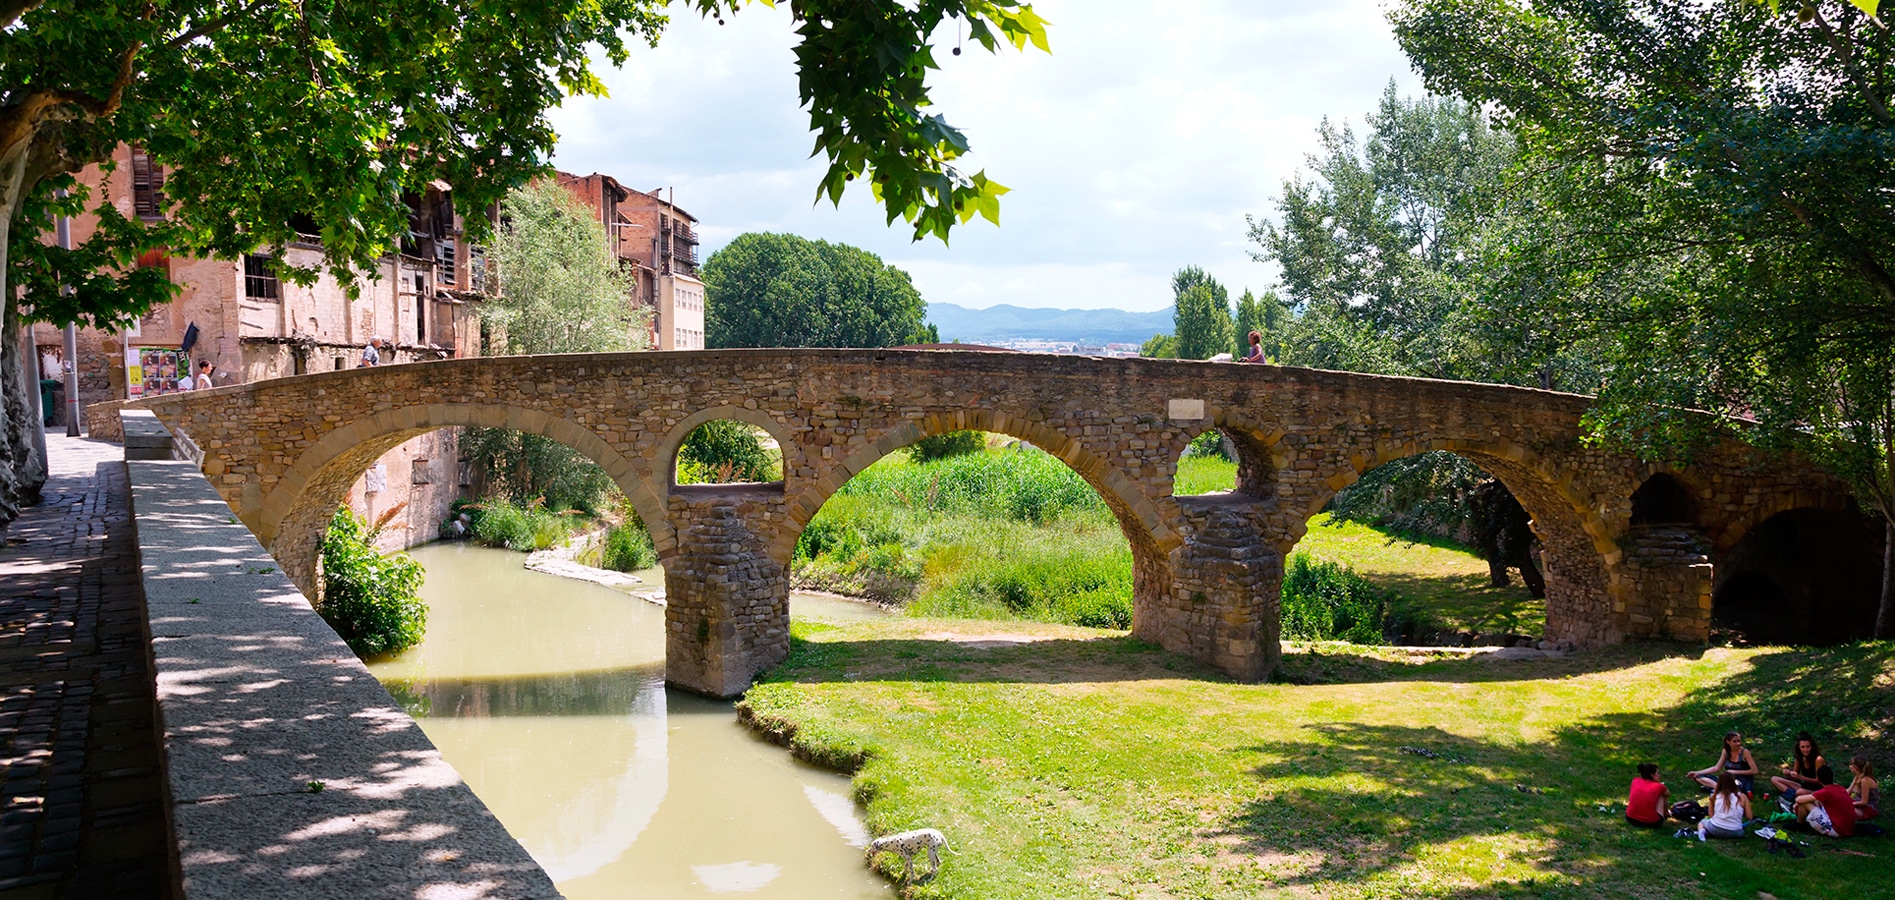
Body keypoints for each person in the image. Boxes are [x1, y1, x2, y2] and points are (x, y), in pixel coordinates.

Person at [1795, 765, 1857, 837]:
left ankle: (1799, 824)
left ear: (1818, 778)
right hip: (1848, 829)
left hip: (1837, 830)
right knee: (1816, 801)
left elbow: (1799, 800)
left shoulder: (1826, 792)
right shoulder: (1839, 788)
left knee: (1805, 803)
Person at [1689, 731, 1758, 795]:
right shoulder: (1726, 751)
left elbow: (1754, 771)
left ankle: (1718, 789)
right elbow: (1716, 768)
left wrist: (1734, 772)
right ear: (1728, 742)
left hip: (1742, 782)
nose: (1738, 744)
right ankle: (1719, 789)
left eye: (1739, 741)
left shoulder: (1744, 752)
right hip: (1728, 779)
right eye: (1735, 741)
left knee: (1733, 786)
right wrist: (1697, 772)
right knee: (1698, 777)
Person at [1769, 731, 1826, 805]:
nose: (1805, 750)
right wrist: (1789, 774)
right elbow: (1795, 777)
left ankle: (1790, 797)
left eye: (1808, 747)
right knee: (1774, 779)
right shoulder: (1800, 758)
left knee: (1800, 792)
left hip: (1818, 789)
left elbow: (1819, 781)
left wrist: (1801, 777)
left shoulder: (1818, 759)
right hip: (1804, 786)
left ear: (1812, 747)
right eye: (1802, 747)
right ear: (1799, 747)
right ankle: (1792, 796)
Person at [1698, 771, 1751, 840]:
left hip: (1715, 829)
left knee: (1702, 822)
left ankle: (1702, 833)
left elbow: (1711, 815)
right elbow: (1749, 816)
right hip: (1737, 832)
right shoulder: (1742, 797)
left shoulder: (1714, 796)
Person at [1626, 762, 1669, 827]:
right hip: (1651, 822)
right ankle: (1666, 814)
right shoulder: (1659, 786)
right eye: (1658, 773)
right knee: (1662, 795)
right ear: (1652, 775)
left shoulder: (1635, 780)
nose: (1660, 775)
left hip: (1630, 818)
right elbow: (1667, 794)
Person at [1848, 756, 1880, 821]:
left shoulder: (1865, 780)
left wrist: (1849, 804)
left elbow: (1864, 802)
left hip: (1868, 808)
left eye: (1851, 764)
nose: (1849, 766)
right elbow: (1848, 792)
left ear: (1856, 767)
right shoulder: (1857, 777)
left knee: (1843, 809)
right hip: (1857, 803)